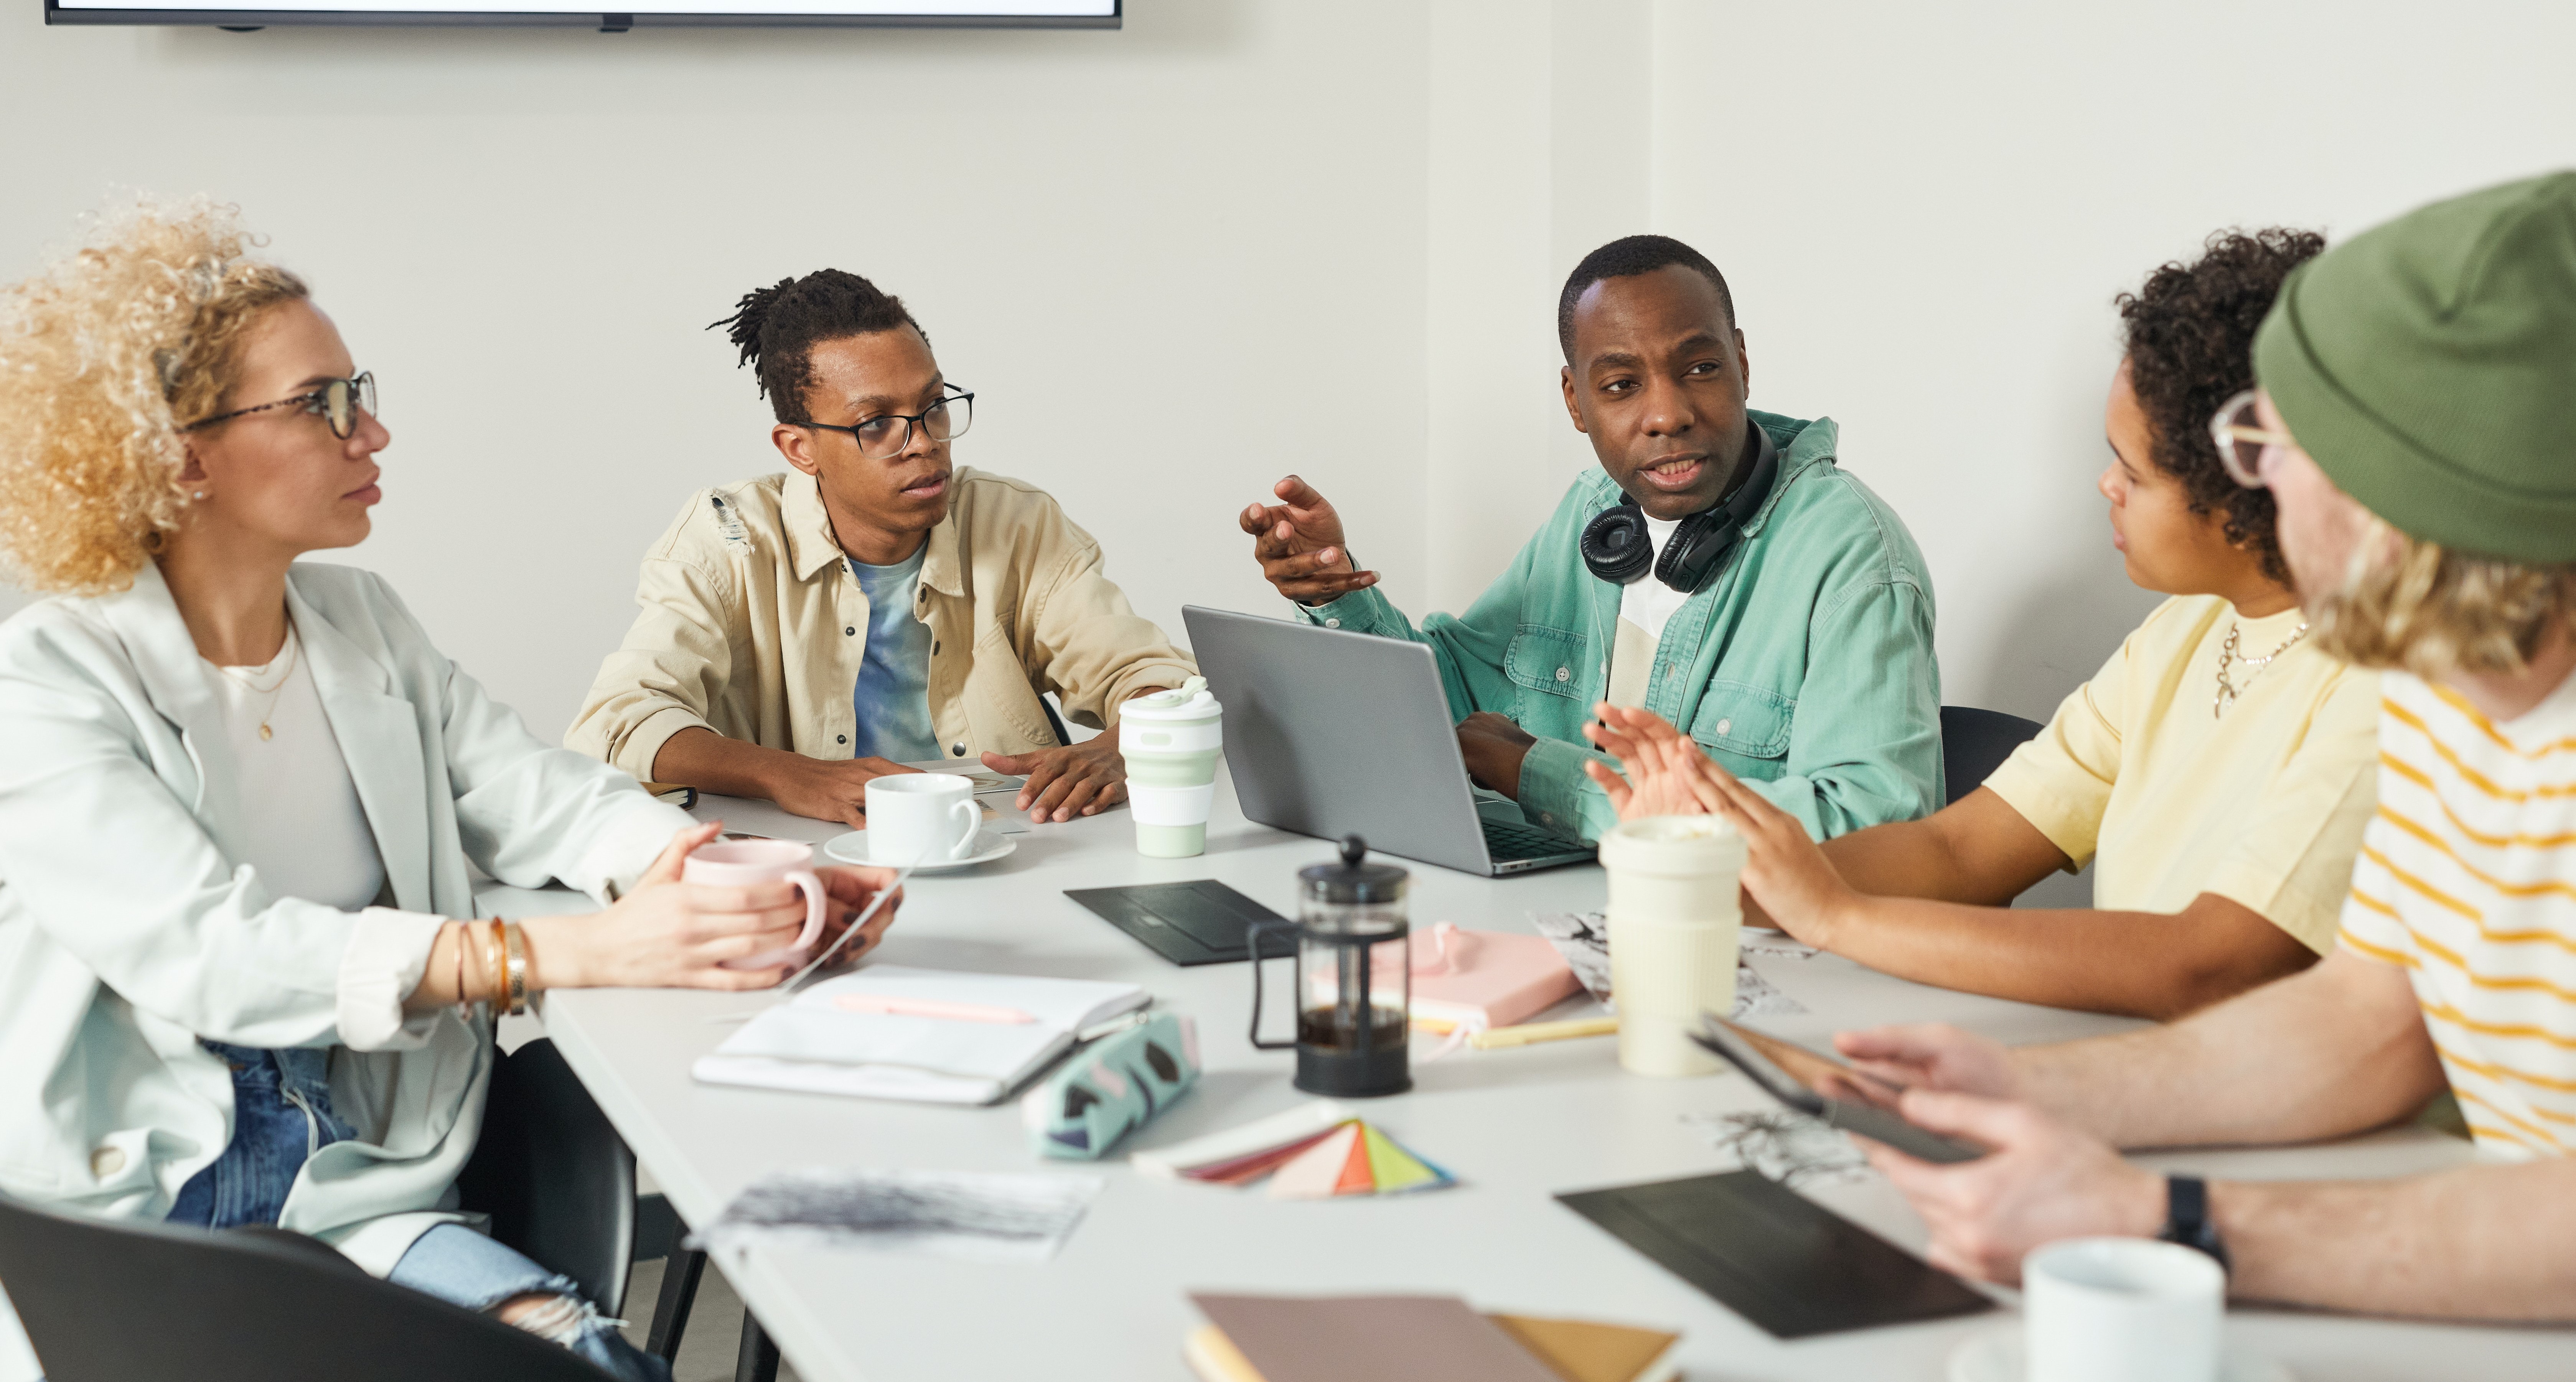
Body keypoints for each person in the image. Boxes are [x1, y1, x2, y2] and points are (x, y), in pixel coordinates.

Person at [0, 201, 904, 1379]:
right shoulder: (45, 680)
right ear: (179, 452)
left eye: (357, 390)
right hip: (133, 1224)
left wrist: (721, 875)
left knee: (591, 1366)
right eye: (324, 403)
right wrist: (556, 955)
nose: (372, 431)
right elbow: (210, 951)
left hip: (351, 1183)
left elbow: (539, 791)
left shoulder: (363, 625)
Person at [1763, 175, 2574, 1316]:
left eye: (2275, 444)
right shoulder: (2445, 697)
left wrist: (2169, 1222)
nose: (2258, 482)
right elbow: (2367, 1023)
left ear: (2432, 490)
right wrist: (2016, 1088)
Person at [1589, 230, 2378, 1019]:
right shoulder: (2183, 634)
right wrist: (1711, 865)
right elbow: (1957, 850)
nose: (2106, 483)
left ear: (2253, 490)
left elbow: (2209, 965)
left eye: (2134, 471)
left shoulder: (2387, 684)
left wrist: (1835, 914)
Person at [1239, 235, 1941, 844]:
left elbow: (1875, 826)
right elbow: (1450, 702)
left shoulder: (1853, 557)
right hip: (1563, 903)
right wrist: (1338, 593)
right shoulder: (1595, 514)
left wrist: (1546, 778)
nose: (1667, 414)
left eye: (1700, 368)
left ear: (1743, 364)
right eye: (1622, 384)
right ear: (1577, 402)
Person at [565, 268, 1197, 827]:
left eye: (933, 408)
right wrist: (789, 775)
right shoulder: (728, 541)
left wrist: (1120, 747)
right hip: (813, 873)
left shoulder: (1015, 523)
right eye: (875, 425)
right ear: (799, 449)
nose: (924, 442)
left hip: (1006, 846)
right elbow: (619, 721)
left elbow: (1158, 682)